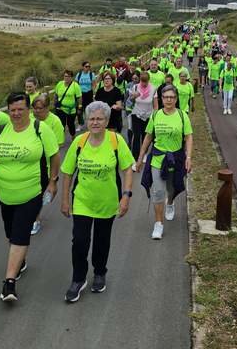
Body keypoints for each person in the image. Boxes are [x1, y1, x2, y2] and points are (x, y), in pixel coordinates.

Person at [0, 92, 60, 302]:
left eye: (20, 109)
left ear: (28, 110)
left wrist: (52, 181)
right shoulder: (1, 131)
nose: (16, 113)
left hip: (31, 192)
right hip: (5, 194)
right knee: (10, 233)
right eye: (12, 110)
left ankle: (9, 283)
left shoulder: (40, 129)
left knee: (20, 232)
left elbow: (54, 157)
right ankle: (20, 261)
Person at [61, 101, 134, 302]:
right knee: (80, 241)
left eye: (99, 119)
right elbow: (67, 173)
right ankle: (78, 278)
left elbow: (128, 169)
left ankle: (100, 272)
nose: (95, 122)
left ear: (107, 121)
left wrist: (126, 196)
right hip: (82, 201)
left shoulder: (115, 141)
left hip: (107, 201)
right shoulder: (79, 142)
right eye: (91, 119)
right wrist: (65, 200)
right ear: (86, 120)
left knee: (102, 240)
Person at [137, 84, 193, 240]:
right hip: (157, 159)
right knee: (159, 191)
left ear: (176, 99)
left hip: (175, 159)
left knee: (172, 188)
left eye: (172, 97)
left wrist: (189, 157)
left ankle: (170, 203)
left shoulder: (182, 116)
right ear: (161, 99)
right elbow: (148, 136)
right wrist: (141, 157)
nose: (169, 100)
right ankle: (158, 224)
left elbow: (188, 137)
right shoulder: (156, 115)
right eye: (166, 97)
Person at [30, 93, 65, 235]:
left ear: (47, 107)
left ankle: (35, 220)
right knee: (33, 193)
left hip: (47, 164)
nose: (37, 111)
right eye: (34, 108)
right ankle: (34, 217)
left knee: (39, 193)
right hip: (31, 163)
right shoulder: (30, 119)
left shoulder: (55, 121)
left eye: (40, 108)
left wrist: (54, 179)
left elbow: (58, 146)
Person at [130, 71, 158, 165]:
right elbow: (130, 100)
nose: (144, 83)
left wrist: (154, 117)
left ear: (148, 80)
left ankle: (144, 153)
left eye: (145, 81)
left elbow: (155, 105)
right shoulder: (135, 87)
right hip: (136, 114)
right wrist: (133, 96)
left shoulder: (153, 89)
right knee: (137, 135)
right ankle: (135, 158)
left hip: (148, 115)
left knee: (146, 136)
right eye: (142, 81)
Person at [54, 70, 83, 139]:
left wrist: (79, 108)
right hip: (60, 109)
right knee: (61, 125)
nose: (66, 78)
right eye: (65, 76)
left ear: (71, 77)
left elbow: (79, 98)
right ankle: (60, 139)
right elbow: (56, 94)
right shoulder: (60, 84)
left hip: (71, 109)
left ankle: (73, 136)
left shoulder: (75, 86)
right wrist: (55, 102)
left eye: (68, 76)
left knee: (71, 125)